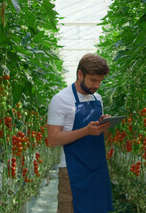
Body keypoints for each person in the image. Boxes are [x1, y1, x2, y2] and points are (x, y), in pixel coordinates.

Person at [47, 53, 113, 213]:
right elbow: (53, 139)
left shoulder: (97, 98)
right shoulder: (60, 100)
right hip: (72, 171)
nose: (97, 85)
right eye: (93, 80)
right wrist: (86, 131)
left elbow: (97, 135)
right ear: (80, 74)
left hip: (97, 169)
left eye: (100, 81)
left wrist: (103, 123)